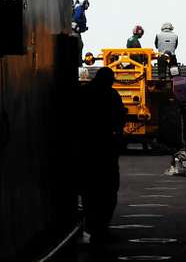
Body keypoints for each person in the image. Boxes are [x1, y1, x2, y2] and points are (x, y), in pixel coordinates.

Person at [78, 67, 127, 242]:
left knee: (88, 189)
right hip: (106, 149)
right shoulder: (112, 95)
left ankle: (90, 225)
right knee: (109, 189)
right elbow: (120, 118)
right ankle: (101, 227)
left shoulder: (83, 93)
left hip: (86, 149)